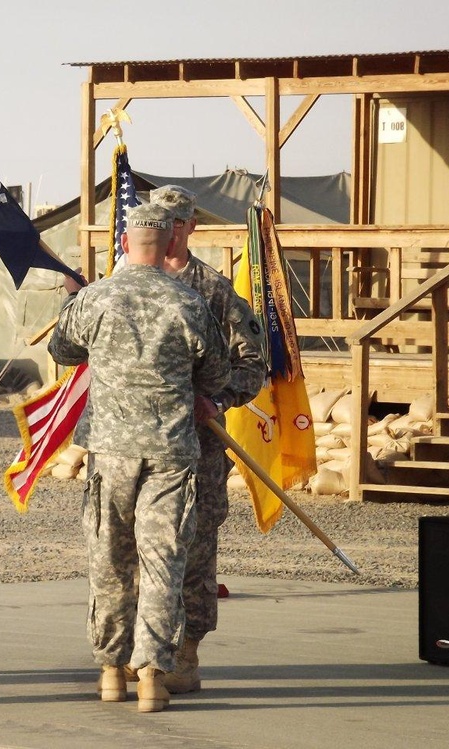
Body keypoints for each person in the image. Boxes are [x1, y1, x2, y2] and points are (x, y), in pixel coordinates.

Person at [47, 201, 232, 713]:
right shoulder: (188, 302)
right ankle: (151, 675)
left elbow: (63, 351)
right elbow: (216, 378)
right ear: (171, 243)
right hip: (170, 452)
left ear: (125, 243)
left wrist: (77, 305)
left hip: (110, 450)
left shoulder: (95, 300)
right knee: (162, 563)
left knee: (109, 560)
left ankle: (111, 671)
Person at [149, 185, 267, 694]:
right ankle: (145, 649)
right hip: (142, 444)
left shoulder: (215, 292)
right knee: (141, 548)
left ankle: (187, 652)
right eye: (161, 221)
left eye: (178, 221)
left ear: (191, 226)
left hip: (197, 448)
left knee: (194, 551)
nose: (170, 230)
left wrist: (218, 402)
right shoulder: (133, 285)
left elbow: (253, 363)